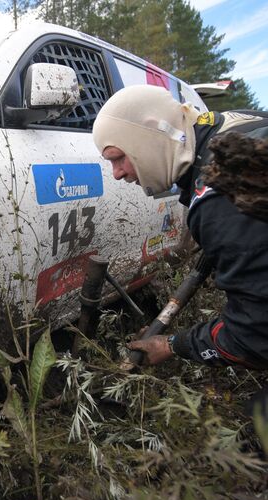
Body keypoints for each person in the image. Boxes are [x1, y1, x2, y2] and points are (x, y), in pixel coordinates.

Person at [92, 84, 268, 369]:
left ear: (151, 135)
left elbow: (253, 338)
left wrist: (174, 345)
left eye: (118, 157)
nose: (117, 173)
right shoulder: (235, 125)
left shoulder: (219, 202)